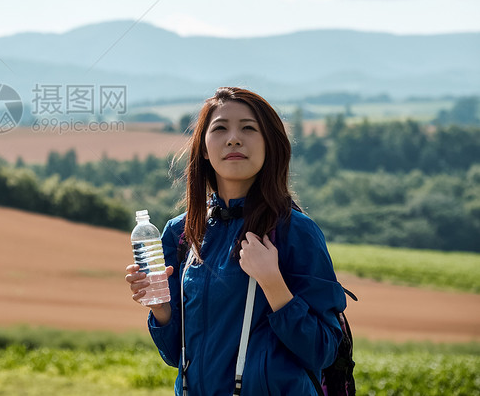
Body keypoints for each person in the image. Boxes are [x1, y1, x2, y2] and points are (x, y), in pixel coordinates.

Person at [125, 87, 346, 395]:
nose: (233, 139)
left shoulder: (295, 232)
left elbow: (322, 351)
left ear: (270, 144)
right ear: (203, 148)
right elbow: (177, 355)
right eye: (220, 128)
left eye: (248, 128)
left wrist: (273, 284)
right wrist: (162, 310)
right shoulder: (180, 235)